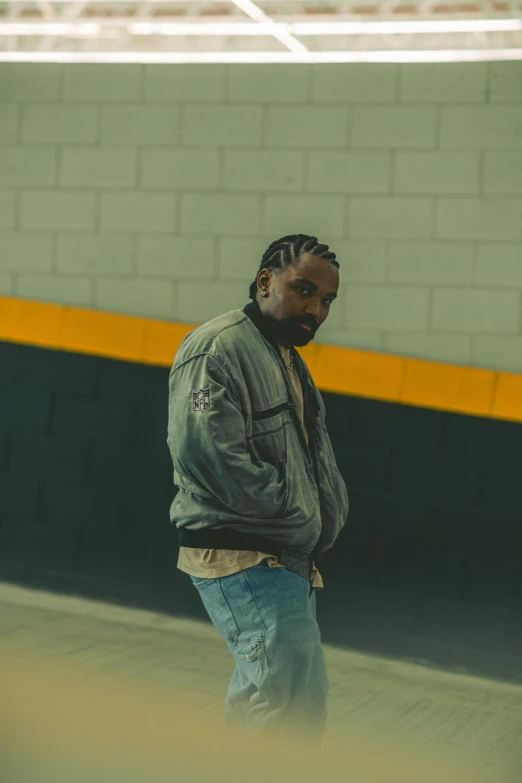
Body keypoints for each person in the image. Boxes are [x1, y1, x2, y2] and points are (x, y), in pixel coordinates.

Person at [167, 233, 349, 749]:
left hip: (287, 551)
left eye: (327, 301)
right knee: (280, 690)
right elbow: (205, 451)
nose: (316, 309)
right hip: (244, 548)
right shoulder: (218, 346)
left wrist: (321, 517)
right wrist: (291, 508)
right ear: (265, 281)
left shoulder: (286, 356)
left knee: (300, 697)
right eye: (304, 291)